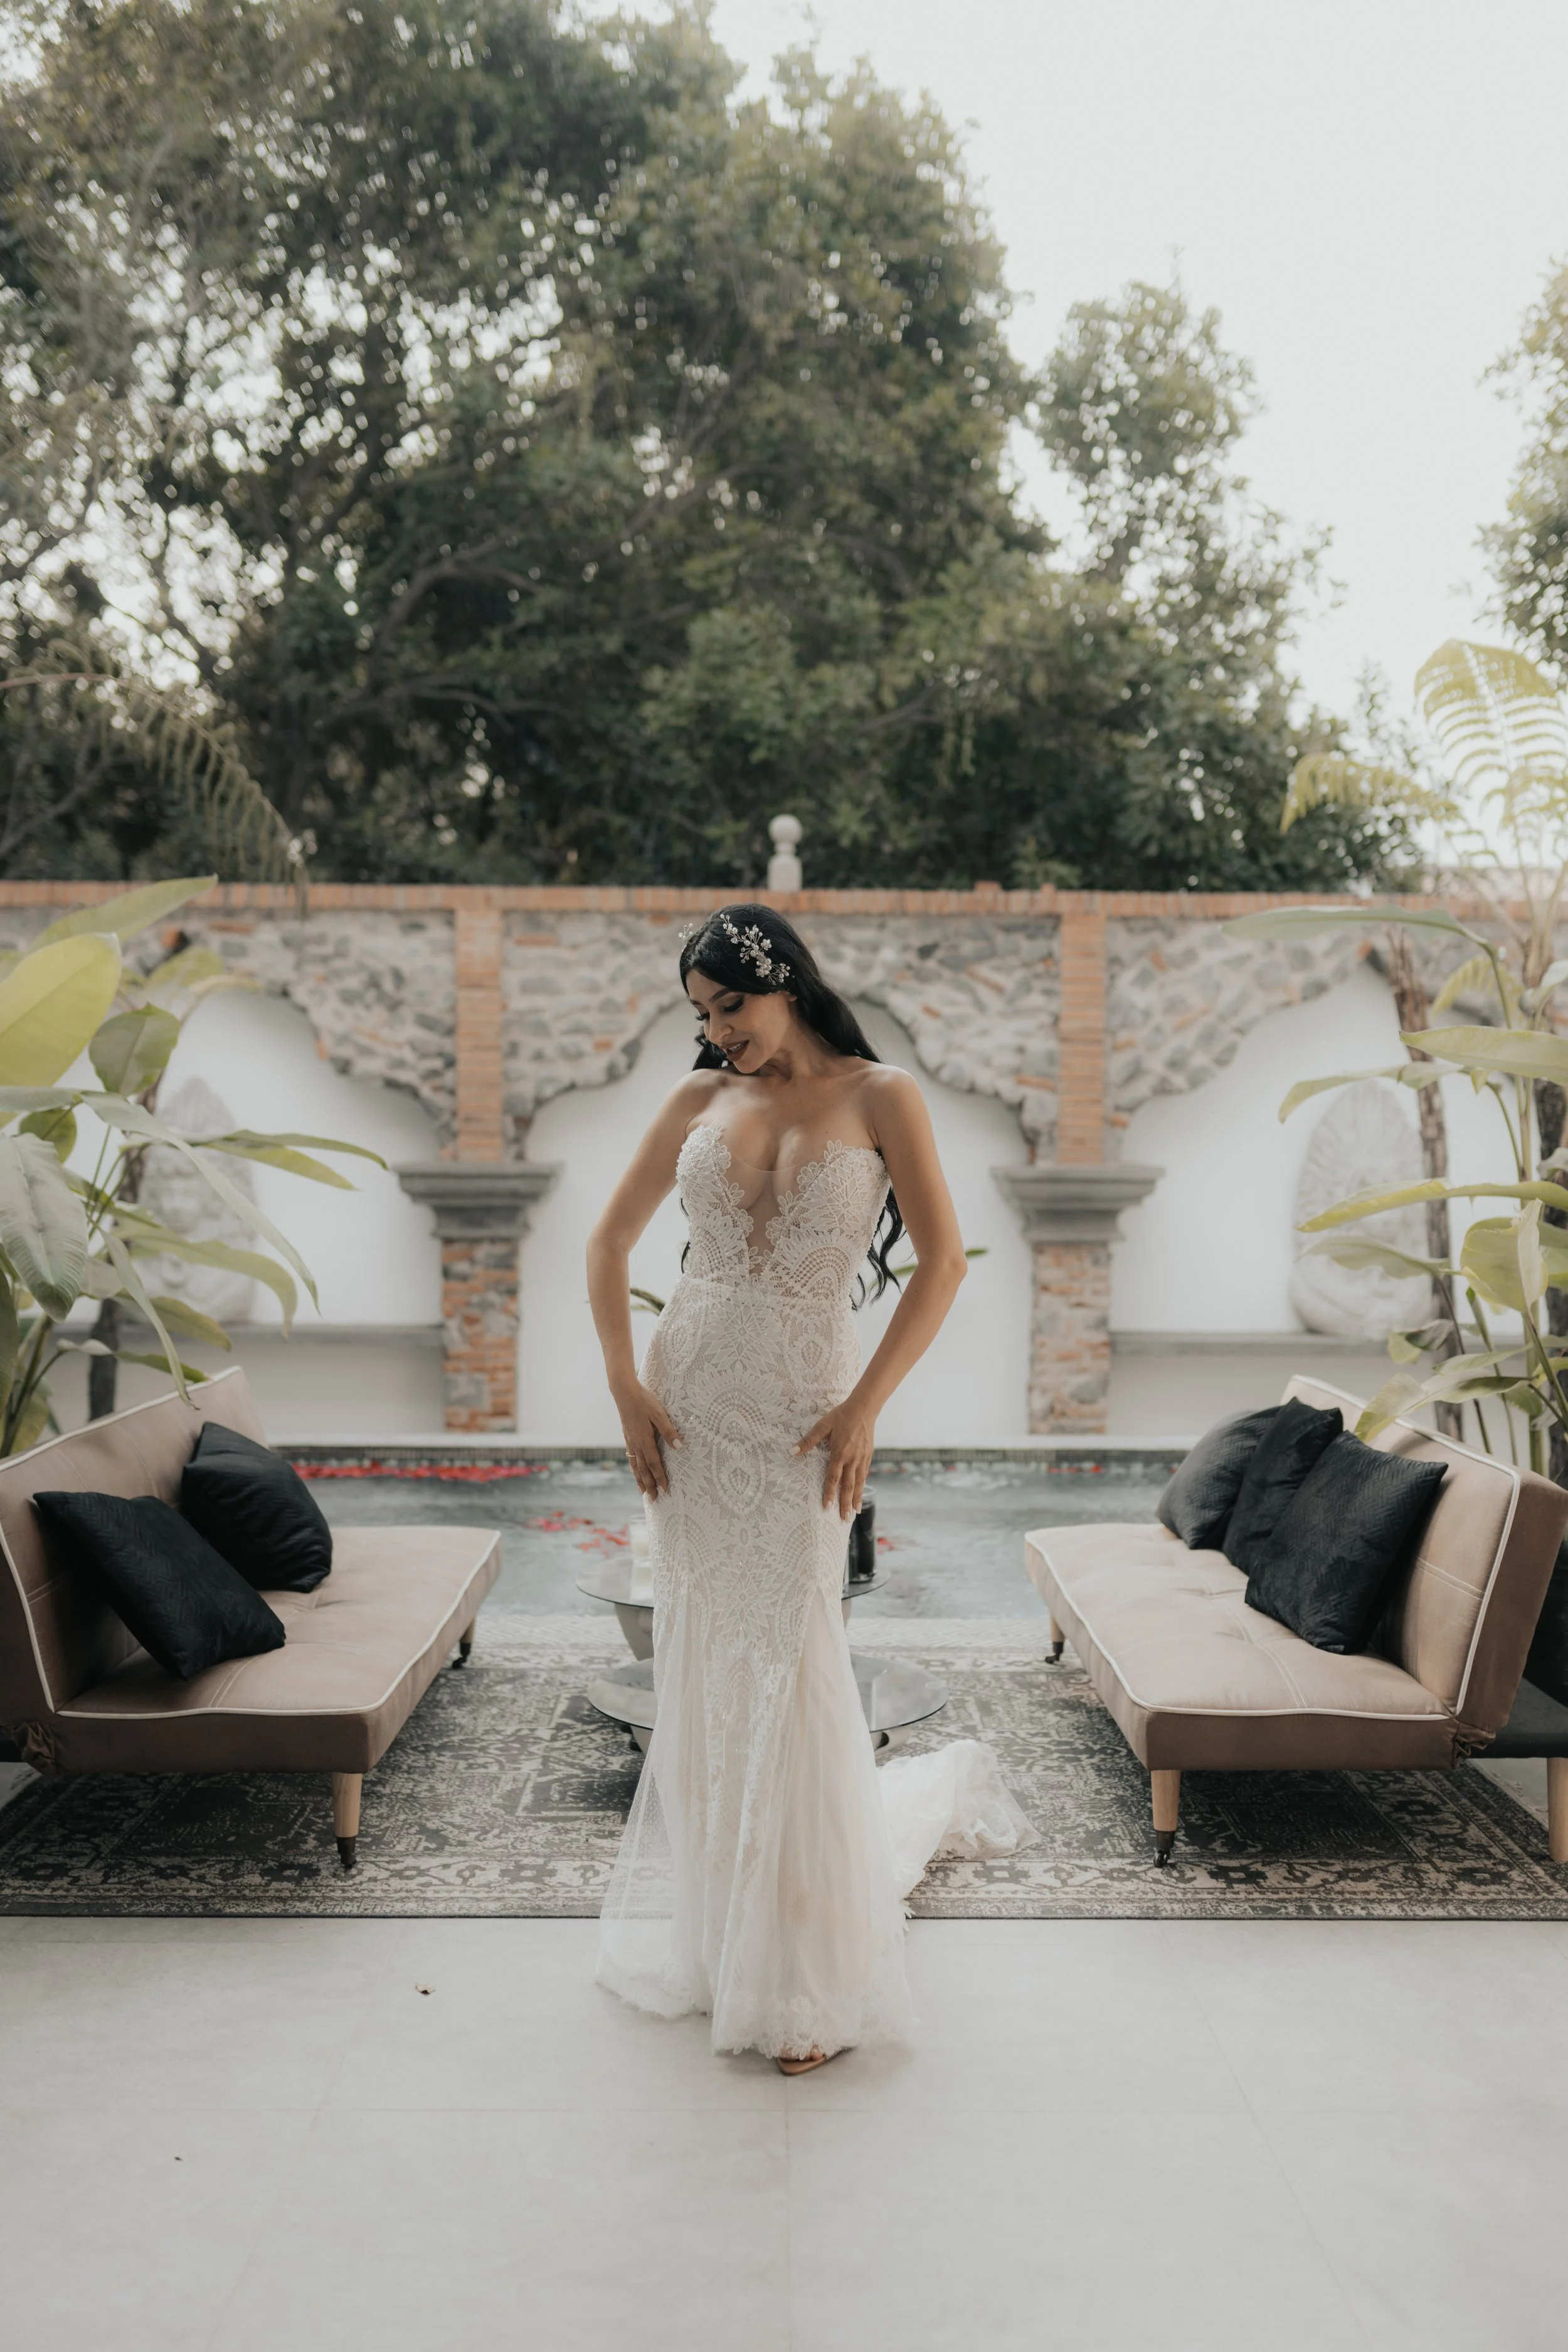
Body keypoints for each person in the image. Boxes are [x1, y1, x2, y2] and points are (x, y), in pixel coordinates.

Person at [586, 905, 1032, 2073]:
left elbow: (940, 1265)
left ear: (783, 983)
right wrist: (627, 1387)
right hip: (690, 1411)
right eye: (701, 1012)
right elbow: (606, 1242)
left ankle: (801, 1965)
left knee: (792, 1656)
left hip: (804, 1416)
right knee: (704, 1651)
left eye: (731, 1003)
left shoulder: (883, 1096)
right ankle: (722, 1931)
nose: (718, 1029)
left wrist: (867, 1403)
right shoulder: (696, 1103)